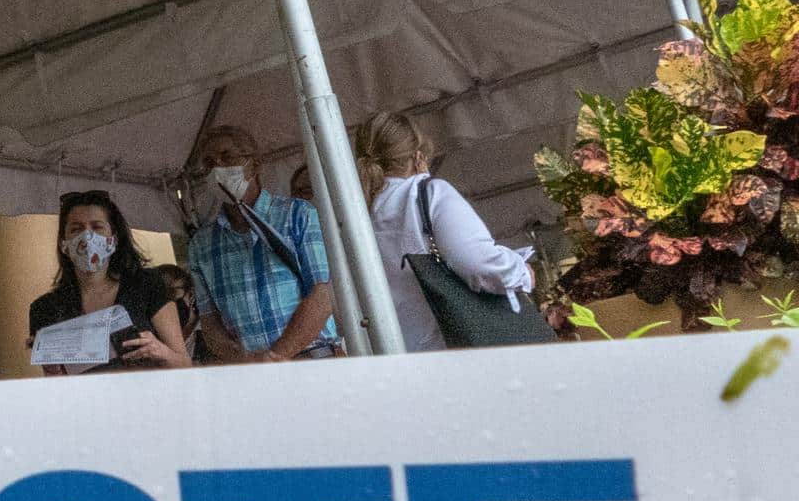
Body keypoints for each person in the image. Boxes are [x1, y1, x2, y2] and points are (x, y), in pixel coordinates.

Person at [354, 110, 533, 352]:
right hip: (451, 346)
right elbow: (478, 263)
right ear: (418, 154)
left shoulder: (355, 216)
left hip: (393, 355)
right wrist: (521, 271)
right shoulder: (429, 192)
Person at [185, 125, 339, 363]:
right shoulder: (201, 244)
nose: (218, 168)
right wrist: (245, 360)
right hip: (253, 373)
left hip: (310, 360)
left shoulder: (298, 215)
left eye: (228, 158)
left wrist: (277, 356)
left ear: (255, 165)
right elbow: (209, 320)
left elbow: (322, 297)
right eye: (209, 163)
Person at [27, 190, 189, 374]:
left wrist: (159, 351)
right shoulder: (45, 309)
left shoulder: (147, 284)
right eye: (76, 229)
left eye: (97, 227)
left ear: (113, 239)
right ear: (63, 244)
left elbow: (184, 364)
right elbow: (56, 383)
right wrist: (48, 358)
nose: (87, 237)